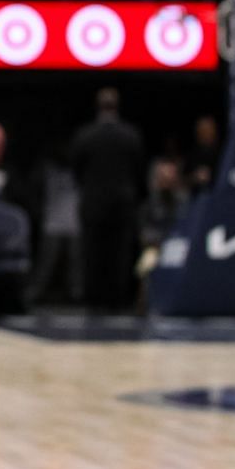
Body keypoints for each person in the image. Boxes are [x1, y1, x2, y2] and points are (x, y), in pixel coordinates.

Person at [70, 87, 144, 310]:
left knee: (93, 253)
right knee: (119, 254)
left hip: (93, 203)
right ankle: (117, 299)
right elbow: (138, 171)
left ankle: (94, 299)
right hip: (122, 204)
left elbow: (76, 170)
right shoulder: (131, 135)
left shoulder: (85, 135)